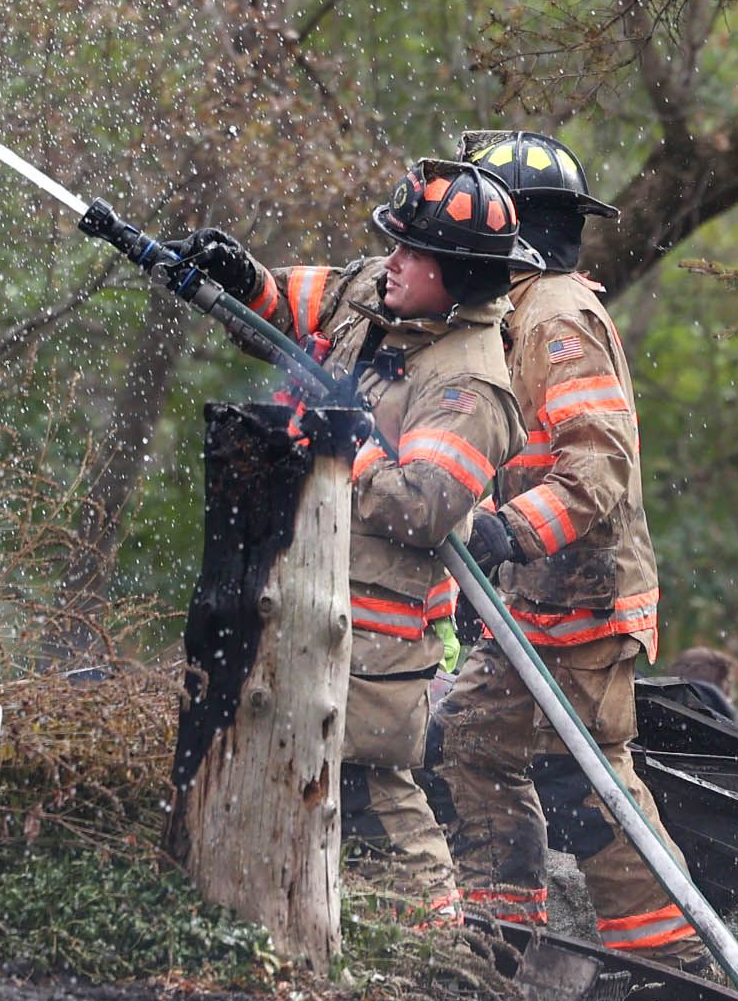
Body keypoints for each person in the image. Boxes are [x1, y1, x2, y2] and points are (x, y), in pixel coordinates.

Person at [174, 161, 534, 916]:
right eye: (392, 246)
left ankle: (441, 960)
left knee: (372, 797)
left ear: (459, 275)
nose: (390, 263)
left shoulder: (469, 386)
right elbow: (289, 309)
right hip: (291, 575)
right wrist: (242, 278)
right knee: (258, 750)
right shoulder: (380, 288)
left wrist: (350, 432)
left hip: (374, 628)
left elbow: (421, 508)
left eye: (412, 254)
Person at [432, 132, 701, 963]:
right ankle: (502, 932)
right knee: (468, 740)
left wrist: (507, 535)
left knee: (591, 783)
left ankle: (672, 962)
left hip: (585, 596)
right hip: (542, 596)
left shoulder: (554, 319)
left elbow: (599, 464)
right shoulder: (517, 312)